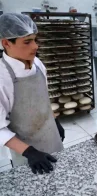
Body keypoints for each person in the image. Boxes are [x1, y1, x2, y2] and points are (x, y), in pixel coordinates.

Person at [0, 13, 64, 174]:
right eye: (27, 42)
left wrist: (54, 121)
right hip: (25, 150)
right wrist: (29, 152)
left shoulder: (37, 64)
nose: (35, 46)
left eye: (35, 40)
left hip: (50, 135)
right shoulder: (3, 77)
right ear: (6, 43)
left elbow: (42, 98)